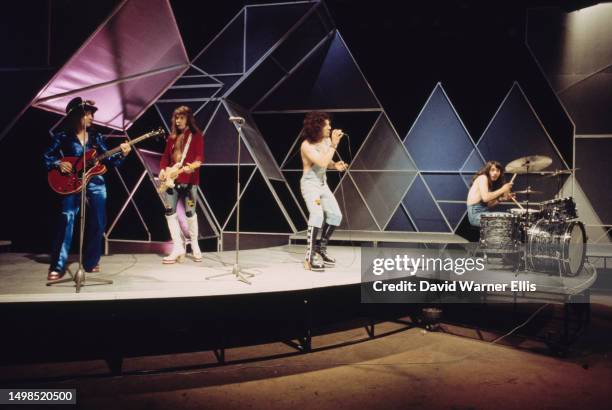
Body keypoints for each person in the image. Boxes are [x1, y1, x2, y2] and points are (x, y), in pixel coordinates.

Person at [43, 97, 131, 280]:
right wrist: (58, 163)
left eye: (92, 114)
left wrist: (122, 154)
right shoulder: (63, 136)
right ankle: (58, 265)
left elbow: (110, 160)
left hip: (95, 182)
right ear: (77, 116)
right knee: (67, 217)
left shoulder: (96, 138)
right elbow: (47, 156)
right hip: (71, 182)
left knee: (99, 220)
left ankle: (91, 262)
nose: (92, 117)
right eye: (88, 114)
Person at [299, 111, 348, 271]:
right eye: (327, 125)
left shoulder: (326, 141)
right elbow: (320, 161)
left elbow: (327, 162)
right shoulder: (307, 145)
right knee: (317, 215)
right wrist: (334, 144)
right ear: (317, 127)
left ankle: (321, 248)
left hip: (322, 183)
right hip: (310, 185)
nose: (330, 127)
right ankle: (310, 257)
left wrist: (335, 165)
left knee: (335, 215)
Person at [158, 106, 204, 264]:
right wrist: (163, 170)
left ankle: (195, 244)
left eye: (181, 118)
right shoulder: (171, 138)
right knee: (169, 212)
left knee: (190, 213)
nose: (178, 121)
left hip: (190, 185)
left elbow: (199, 158)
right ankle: (178, 246)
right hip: (172, 183)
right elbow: (165, 158)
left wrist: (192, 167)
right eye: (176, 118)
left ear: (188, 119)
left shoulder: (196, 136)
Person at [466, 160, 514, 227]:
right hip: (475, 215)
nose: (495, 173)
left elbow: (488, 204)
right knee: (506, 220)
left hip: (484, 213)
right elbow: (486, 198)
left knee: (510, 218)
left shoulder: (489, 182)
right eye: (492, 170)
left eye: (498, 170)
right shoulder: (483, 177)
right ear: (487, 171)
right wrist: (503, 189)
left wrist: (501, 199)